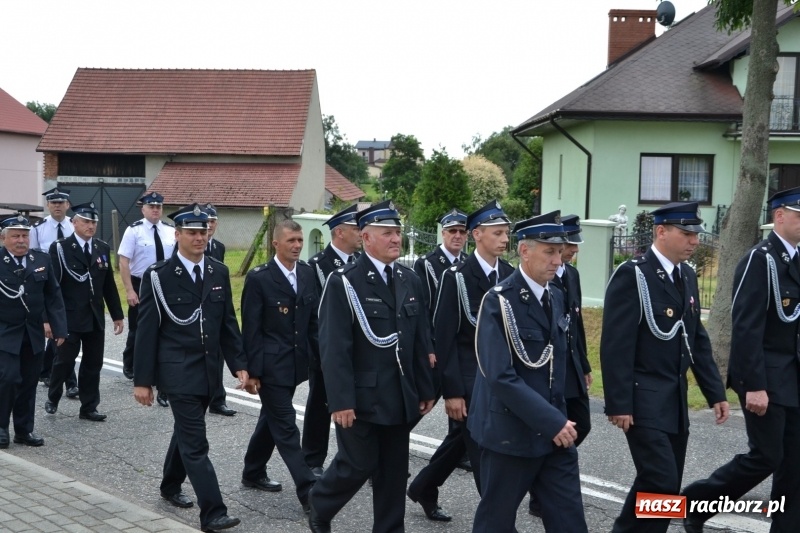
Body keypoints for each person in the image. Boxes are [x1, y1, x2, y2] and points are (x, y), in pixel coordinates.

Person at [308, 200, 436, 533]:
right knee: (356, 464)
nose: (397, 239)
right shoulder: (345, 282)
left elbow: (420, 340)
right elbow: (334, 347)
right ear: (365, 238)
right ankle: (320, 505)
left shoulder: (410, 279)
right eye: (388, 233)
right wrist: (341, 400)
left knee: (394, 471)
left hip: (400, 394)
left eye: (398, 233)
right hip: (362, 396)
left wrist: (425, 387)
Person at [600, 202, 729, 533]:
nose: (694, 241)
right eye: (686, 233)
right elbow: (616, 345)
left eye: (695, 234)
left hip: (674, 400)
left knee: (660, 483)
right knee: (661, 479)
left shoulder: (685, 274)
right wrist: (619, 403)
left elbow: (695, 338)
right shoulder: (634, 274)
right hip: (642, 398)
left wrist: (715, 391)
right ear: (661, 232)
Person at [682, 187, 800, 533]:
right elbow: (746, 326)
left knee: (794, 462)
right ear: (779, 216)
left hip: (793, 378)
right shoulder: (760, 259)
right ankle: (696, 502)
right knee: (766, 456)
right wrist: (754, 385)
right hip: (766, 377)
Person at [470, 210, 587, 533]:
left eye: (560, 253)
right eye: (549, 252)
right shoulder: (499, 301)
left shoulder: (557, 296)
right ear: (524, 251)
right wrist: (551, 421)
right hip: (511, 432)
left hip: (554, 434)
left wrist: (560, 417)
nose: (558, 261)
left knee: (569, 520)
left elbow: (558, 363)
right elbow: (500, 376)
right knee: (496, 521)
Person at [133, 203, 248, 533]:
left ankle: (170, 485)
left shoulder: (218, 271)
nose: (200, 237)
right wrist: (144, 381)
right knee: (196, 442)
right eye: (193, 232)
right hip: (177, 371)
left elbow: (228, 324)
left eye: (204, 231)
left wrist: (239, 365)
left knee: (185, 432)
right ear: (177, 234)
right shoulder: (159, 277)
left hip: (208, 371)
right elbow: (147, 333)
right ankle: (213, 512)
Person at [406, 200, 515, 520]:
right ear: (478, 235)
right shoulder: (458, 276)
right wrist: (452, 391)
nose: (505, 240)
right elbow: (445, 335)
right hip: (467, 380)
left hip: (498, 378)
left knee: (461, 440)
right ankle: (499, 522)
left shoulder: (508, 274)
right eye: (498, 233)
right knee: (482, 451)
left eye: (506, 233)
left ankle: (424, 485)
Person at [240, 219, 319, 513]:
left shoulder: (308, 274)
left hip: (297, 365)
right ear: (276, 244)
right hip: (270, 367)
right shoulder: (260, 278)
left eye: (300, 240)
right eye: (291, 241)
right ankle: (308, 489)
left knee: (271, 419)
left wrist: (320, 359)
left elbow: (313, 322)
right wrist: (252, 371)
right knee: (286, 426)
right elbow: (251, 329)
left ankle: (252, 471)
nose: (297, 245)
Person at [528, 214, 593, 517]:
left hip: (571, 363)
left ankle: (544, 483)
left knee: (582, 423)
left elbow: (575, 324)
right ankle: (544, 491)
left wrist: (585, 364)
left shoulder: (572, 276)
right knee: (556, 426)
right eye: (567, 245)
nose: (571, 251)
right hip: (549, 366)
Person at [44, 202, 124, 421]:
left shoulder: (101, 248)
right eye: (86, 221)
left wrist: (117, 314)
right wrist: (49, 319)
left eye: (94, 222)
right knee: (64, 361)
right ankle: (53, 396)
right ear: (74, 222)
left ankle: (88, 407)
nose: (91, 226)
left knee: (92, 364)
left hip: (94, 317)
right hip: (68, 317)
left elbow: (108, 284)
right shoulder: (60, 248)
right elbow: (52, 287)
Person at [303, 204, 362, 478]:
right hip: (327, 351)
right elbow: (314, 316)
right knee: (320, 405)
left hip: (359, 351)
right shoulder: (318, 267)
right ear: (339, 232)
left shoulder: (361, 264)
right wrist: (322, 354)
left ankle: (361, 460)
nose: (361, 233)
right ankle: (312, 460)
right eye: (356, 228)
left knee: (359, 407)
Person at [0, 213, 67, 448]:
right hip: (5, 332)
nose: (21, 241)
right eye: (15, 236)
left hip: (32, 332)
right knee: (7, 379)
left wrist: (59, 328)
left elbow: (53, 295)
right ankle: (1, 428)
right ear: (3, 238)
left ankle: (23, 430)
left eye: (25, 236)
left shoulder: (41, 259)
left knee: (28, 382)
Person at [119, 191, 175, 408]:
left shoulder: (170, 231)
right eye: (151, 207)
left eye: (158, 207)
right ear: (143, 209)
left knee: (166, 334)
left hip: (167, 286)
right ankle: (131, 362)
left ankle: (164, 387)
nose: (155, 210)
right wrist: (129, 290)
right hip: (142, 284)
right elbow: (124, 262)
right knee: (139, 330)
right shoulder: (134, 231)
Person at [31, 187, 78, 396]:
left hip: (71, 286)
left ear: (68, 205)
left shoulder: (75, 226)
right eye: (53, 203)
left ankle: (49, 371)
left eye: (61, 203)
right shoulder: (38, 229)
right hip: (45, 285)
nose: (57, 206)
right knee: (57, 332)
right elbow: (32, 259)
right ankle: (68, 381)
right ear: (48, 205)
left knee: (63, 333)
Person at [203, 203, 235, 417]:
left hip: (213, 306)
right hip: (189, 307)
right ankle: (168, 391)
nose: (210, 225)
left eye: (213, 221)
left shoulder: (219, 247)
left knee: (217, 355)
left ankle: (217, 400)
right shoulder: (185, 243)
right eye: (207, 222)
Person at [413, 208, 469, 317]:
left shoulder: (468, 262)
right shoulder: (425, 264)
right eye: (452, 231)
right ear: (443, 233)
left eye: (462, 231)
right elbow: (422, 309)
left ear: (467, 235)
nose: (458, 236)